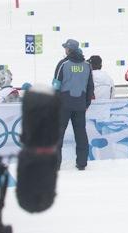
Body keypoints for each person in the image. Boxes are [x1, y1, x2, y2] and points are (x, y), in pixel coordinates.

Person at [53, 38, 94, 170]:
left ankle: (56, 164)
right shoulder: (87, 65)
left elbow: (56, 85)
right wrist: (86, 103)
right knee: (81, 134)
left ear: (69, 49)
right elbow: (90, 87)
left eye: (66, 47)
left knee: (58, 135)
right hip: (80, 104)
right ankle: (82, 163)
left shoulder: (63, 64)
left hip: (63, 105)